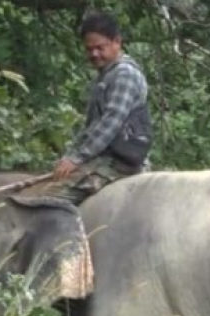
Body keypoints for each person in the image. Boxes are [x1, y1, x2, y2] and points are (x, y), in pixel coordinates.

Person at [32, 11, 153, 205]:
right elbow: (90, 127)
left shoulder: (125, 75)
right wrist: (69, 156)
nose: (94, 54)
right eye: (89, 49)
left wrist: (77, 159)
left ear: (117, 42)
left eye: (100, 47)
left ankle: (72, 236)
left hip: (120, 164)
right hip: (103, 160)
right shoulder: (104, 77)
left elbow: (110, 123)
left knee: (49, 199)